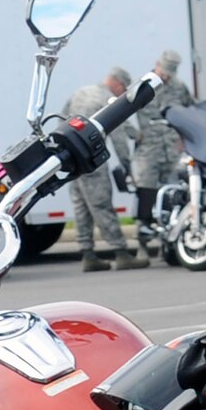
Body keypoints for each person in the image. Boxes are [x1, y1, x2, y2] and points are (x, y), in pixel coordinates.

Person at [61, 68, 147, 272]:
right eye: (124, 89)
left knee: (81, 206)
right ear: (117, 83)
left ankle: (88, 255)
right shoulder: (110, 101)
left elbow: (62, 119)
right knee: (101, 205)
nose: (123, 94)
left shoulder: (81, 92)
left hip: (73, 159)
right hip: (92, 161)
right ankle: (121, 253)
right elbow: (118, 138)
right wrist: (127, 166)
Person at [130, 49, 193, 254]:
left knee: (173, 191)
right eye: (164, 72)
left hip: (172, 145)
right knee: (146, 189)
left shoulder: (179, 87)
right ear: (157, 64)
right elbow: (122, 113)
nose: (165, 77)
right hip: (149, 147)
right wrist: (135, 134)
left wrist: (185, 139)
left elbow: (189, 112)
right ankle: (143, 238)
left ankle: (171, 239)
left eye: (169, 74)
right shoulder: (142, 85)